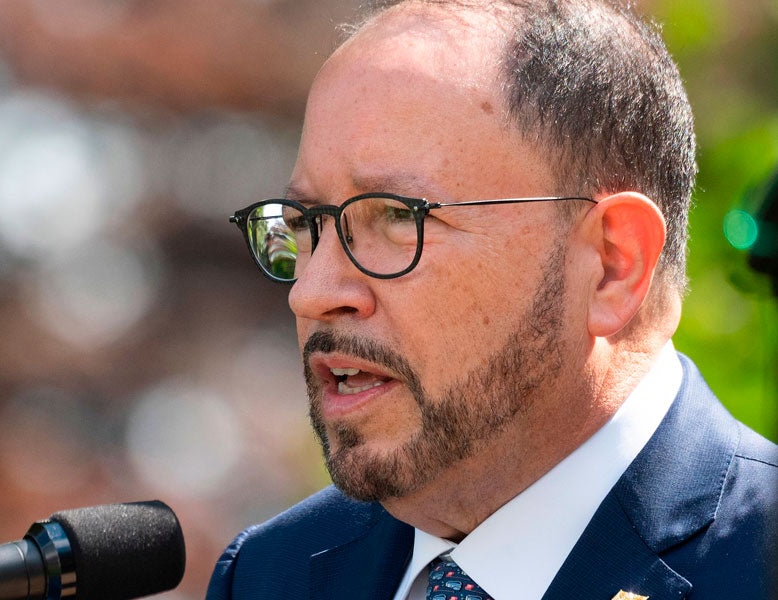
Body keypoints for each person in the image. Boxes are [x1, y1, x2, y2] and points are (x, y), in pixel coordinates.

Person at [208, 1, 778, 599]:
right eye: (305, 224)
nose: (312, 293)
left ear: (612, 265)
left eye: (399, 217)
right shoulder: (269, 573)